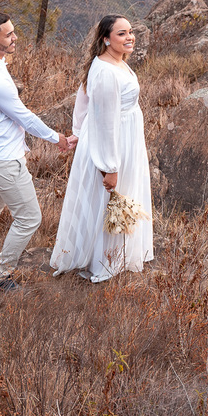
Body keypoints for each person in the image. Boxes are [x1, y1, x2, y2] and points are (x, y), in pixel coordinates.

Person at [0, 11, 75, 291]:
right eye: (9, 34)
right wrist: (58, 139)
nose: (15, 37)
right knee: (30, 218)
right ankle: (1, 275)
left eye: (14, 31)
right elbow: (24, 117)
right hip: (4, 158)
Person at [51, 15, 153, 282]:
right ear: (106, 39)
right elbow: (107, 122)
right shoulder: (107, 71)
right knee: (109, 200)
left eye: (130, 32)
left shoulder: (112, 62)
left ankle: (114, 256)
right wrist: (110, 167)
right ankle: (104, 261)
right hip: (114, 143)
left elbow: (83, 98)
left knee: (109, 201)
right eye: (122, 34)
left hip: (123, 137)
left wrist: (77, 132)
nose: (129, 37)